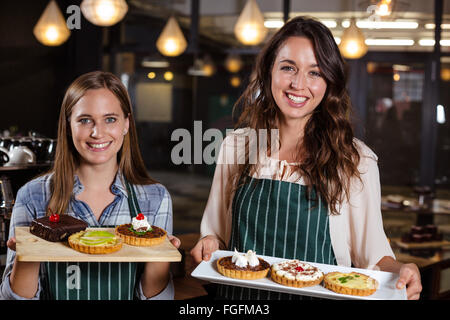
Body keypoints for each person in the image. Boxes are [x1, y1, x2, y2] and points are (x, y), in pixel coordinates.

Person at [190, 16, 422, 300]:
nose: (299, 84)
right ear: (269, 73)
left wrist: (402, 270)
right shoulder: (235, 147)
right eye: (288, 67)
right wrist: (209, 242)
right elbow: (215, 236)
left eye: (315, 72)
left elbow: (372, 257)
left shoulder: (356, 161)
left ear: (329, 82)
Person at [0, 71, 180, 300]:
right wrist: (29, 250)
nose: (97, 132)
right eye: (85, 120)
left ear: (126, 124)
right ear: (68, 125)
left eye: (110, 119)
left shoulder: (155, 198)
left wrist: (160, 254)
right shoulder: (33, 195)